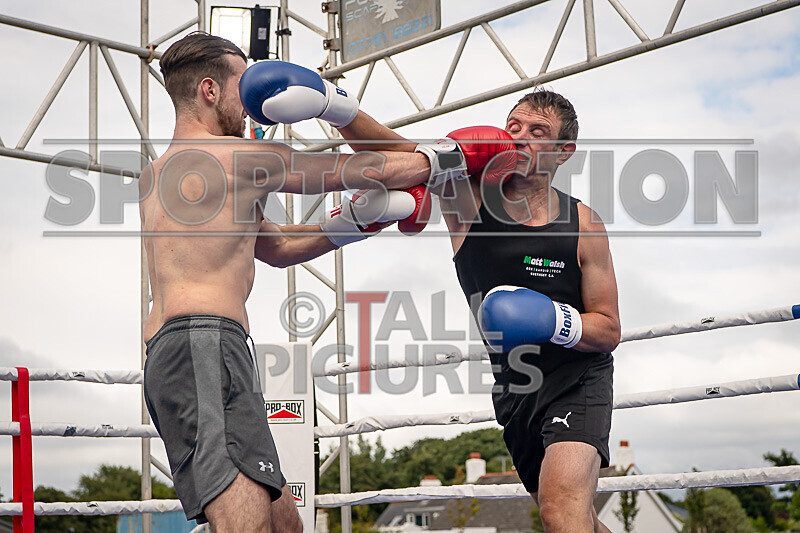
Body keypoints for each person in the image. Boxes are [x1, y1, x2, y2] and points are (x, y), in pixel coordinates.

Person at [140, 34, 511, 532]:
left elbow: (275, 248)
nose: (251, 102)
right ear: (209, 90)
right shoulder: (233, 158)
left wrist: (355, 223)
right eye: (241, 85)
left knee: (283, 523)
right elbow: (354, 169)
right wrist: (451, 156)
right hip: (202, 346)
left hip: (197, 350)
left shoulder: (158, 174)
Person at [297, 85, 620, 532]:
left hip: (577, 377)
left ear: (564, 151)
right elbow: (400, 156)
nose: (521, 136)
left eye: (538, 131)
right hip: (516, 387)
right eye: (514, 126)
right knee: (571, 517)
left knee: (561, 511)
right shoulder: (467, 198)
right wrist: (335, 109)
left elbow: (608, 328)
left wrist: (554, 320)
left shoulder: (584, 224)